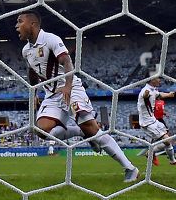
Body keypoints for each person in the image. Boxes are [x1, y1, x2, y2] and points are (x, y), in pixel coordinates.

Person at [17, 10, 138, 183]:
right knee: (41, 130)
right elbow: (32, 72)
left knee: (92, 128)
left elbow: (67, 61)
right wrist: (35, 92)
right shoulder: (25, 51)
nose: (16, 26)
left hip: (71, 89)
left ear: (33, 24)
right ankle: (80, 132)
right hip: (52, 95)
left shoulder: (51, 39)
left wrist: (67, 86)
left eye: (20, 22)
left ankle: (130, 168)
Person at [137, 79, 176, 166]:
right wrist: (146, 95)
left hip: (154, 121)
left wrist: (169, 94)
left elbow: (159, 94)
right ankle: (171, 160)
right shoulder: (146, 90)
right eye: (157, 78)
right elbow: (145, 95)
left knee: (167, 140)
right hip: (147, 123)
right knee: (167, 140)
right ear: (151, 80)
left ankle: (170, 160)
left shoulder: (153, 90)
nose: (159, 80)